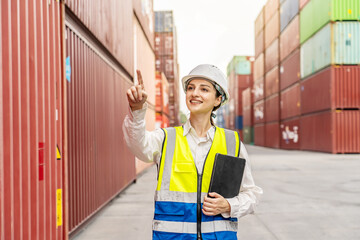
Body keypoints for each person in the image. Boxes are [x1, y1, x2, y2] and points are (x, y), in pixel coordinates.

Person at [123, 64, 262, 240]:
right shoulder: (167, 138)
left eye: (204, 89)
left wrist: (228, 205)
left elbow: (252, 194)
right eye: (190, 88)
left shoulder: (231, 143)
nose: (195, 93)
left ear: (218, 99)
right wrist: (137, 110)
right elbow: (137, 145)